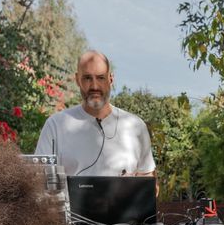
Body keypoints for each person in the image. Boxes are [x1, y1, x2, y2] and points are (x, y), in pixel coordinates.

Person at [35, 50, 156, 178]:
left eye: (101, 78)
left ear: (110, 79)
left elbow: (148, 181)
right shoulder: (55, 125)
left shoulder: (135, 126)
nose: (94, 86)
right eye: (87, 78)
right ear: (77, 80)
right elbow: (39, 181)